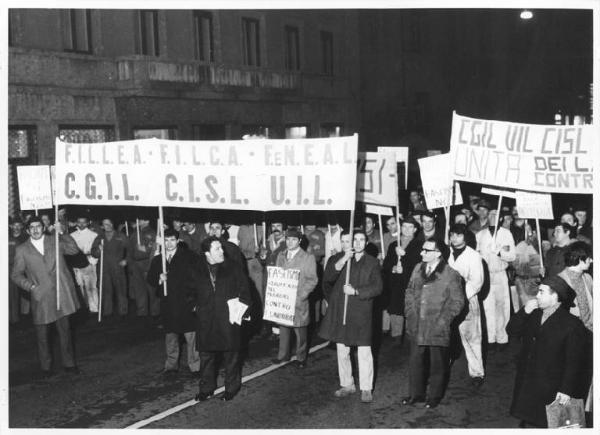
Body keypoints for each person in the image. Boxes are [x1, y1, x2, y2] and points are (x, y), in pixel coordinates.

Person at [506, 276, 588, 428]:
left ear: (555, 296)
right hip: (529, 379)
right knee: (529, 417)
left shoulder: (572, 325)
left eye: (541, 292)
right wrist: (525, 310)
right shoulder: (534, 314)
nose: (537, 295)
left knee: (550, 422)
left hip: (552, 385)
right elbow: (511, 330)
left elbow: (574, 362)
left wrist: (566, 390)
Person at [10, 217, 81, 376]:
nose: (35, 230)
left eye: (38, 226)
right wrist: (31, 286)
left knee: (65, 331)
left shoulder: (55, 241)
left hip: (61, 293)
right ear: (27, 230)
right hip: (41, 295)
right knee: (42, 335)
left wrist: (61, 231)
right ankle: (46, 367)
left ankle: (69, 364)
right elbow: (15, 274)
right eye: (32, 227)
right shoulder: (22, 249)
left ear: (43, 228)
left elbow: (73, 250)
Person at [319, 229, 383, 403]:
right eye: (355, 239)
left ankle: (366, 388)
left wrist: (356, 291)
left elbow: (377, 287)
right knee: (342, 350)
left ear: (366, 243)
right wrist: (344, 259)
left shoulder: (372, 262)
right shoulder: (339, 258)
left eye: (362, 240)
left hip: (361, 311)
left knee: (364, 351)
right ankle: (347, 384)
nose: (358, 243)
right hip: (342, 311)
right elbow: (328, 278)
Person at [403, 238, 464, 408]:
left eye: (426, 250)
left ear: (438, 253)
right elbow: (409, 291)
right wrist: (409, 312)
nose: (422, 253)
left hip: (437, 326)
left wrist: (444, 320)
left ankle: (434, 396)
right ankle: (416, 395)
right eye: (423, 249)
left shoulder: (451, 274)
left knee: (438, 363)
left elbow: (457, 301)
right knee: (415, 361)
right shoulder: (417, 268)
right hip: (417, 324)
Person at [193, 236, 252, 402]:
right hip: (206, 320)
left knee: (231, 356)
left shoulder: (233, 267)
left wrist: (242, 309)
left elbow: (245, 291)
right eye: (217, 249)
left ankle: (231, 388)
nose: (222, 251)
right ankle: (206, 388)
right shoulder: (196, 268)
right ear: (207, 253)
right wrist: (194, 306)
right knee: (206, 357)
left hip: (228, 319)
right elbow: (188, 291)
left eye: (221, 247)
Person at [147, 229, 200, 376]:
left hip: (186, 302)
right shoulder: (158, 260)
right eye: (166, 240)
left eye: (172, 240)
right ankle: (171, 366)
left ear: (178, 241)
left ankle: (195, 365)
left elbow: (197, 278)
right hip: (168, 303)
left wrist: (195, 298)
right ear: (162, 242)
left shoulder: (189, 257)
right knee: (171, 336)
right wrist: (160, 279)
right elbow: (150, 280)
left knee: (191, 336)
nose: (169, 243)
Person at [271, 229, 318, 367]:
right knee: (284, 329)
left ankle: (301, 358)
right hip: (284, 299)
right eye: (287, 239)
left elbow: (312, 280)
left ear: (299, 241)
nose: (289, 242)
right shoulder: (281, 255)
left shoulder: (308, 257)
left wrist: (302, 295)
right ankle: (283, 355)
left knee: (300, 331)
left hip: (298, 300)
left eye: (293, 239)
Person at [447, 224, 485, 387]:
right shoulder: (445, 253)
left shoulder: (474, 256)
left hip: (467, 300)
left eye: (458, 235)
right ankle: (443, 368)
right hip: (445, 301)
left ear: (465, 237)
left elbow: (477, 281)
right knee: (446, 336)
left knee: (471, 337)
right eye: (452, 235)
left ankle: (477, 373)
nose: (454, 238)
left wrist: (460, 296)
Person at [476, 209, 515, 350]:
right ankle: (490, 339)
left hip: (500, 273)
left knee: (502, 307)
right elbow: (476, 256)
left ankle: (502, 338)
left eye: (496, 215)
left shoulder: (506, 234)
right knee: (487, 307)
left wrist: (499, 251)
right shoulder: (480, 235)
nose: (493, 217)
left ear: (501, 218)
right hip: (486, 275)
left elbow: (512, 256)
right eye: (491, 214)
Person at [382, 216, 422, 342]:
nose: (407, 229)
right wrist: (394, 268)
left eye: (410, 227)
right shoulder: (394, 244)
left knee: (410, 310)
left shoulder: (419, 245)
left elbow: (419, 264)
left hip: (411, 282)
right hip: (396, 283)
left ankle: (410, 337)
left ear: (415, 229)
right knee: (395, 310)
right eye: (404, 226)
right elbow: (386, 264)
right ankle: (396, 337)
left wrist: (404, 255)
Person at [91, 217, 129, 317]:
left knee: (121, 289)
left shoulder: (121, 236)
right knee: (105, 290)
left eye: (108, 224)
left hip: (118, 267)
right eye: (104, 224)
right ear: (102, 226)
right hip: (104, 268)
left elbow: (130, 250)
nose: (107, 226)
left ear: (112, 224)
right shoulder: (99, 237)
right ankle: (107, 312)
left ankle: (123, 311)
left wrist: (126, 260)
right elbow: (94, 253)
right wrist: (98, 250)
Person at [127, 217, 159, 318]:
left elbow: (154, 247)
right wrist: (130, 264)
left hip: (147, 262)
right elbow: (130, 249)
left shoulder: (152, 232)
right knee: (139, 288)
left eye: (141, 219)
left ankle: (155, 311)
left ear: (147, 220)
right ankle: (142, 311)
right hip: (135, 263)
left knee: (151, 288)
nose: (139, 221)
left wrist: (144, 248)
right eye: (138, 220)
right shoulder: (134, 233)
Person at [70, 215, 100, 313]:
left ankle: (94, 308)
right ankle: (83, 307)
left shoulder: (93, 234)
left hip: (89, 263)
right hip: (76, 264)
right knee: (79, 286)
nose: (81, 224)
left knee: (91, 287)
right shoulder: (72, 235)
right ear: (76, 223)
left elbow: (96, 250)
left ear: (88, 223)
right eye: (79, 222)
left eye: (84, 222)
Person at [9, 217, 29, 323]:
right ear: (10, 226)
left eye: (18, 225)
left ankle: (25, 316)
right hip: (11, 269)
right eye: (14, 225)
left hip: (24, 268)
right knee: (12, 293)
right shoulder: (7, 237)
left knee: (24, 293)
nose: (16, 228)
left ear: (21, 226)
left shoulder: (26, 237)